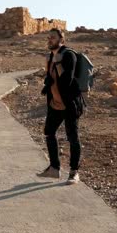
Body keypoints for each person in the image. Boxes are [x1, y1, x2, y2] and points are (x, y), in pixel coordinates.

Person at [36, 28, 85, 185]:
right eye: (49, 37)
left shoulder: (68, 55)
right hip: (55, 104)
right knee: (49, 132)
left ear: (61, 40)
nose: (50, 39)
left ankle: (74, 172)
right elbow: (50, 79)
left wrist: (57, 63)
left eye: (53, 37)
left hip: (70, 104)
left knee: (72, 137)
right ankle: (54, 168)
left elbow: (67, 81)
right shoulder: (51, 56)